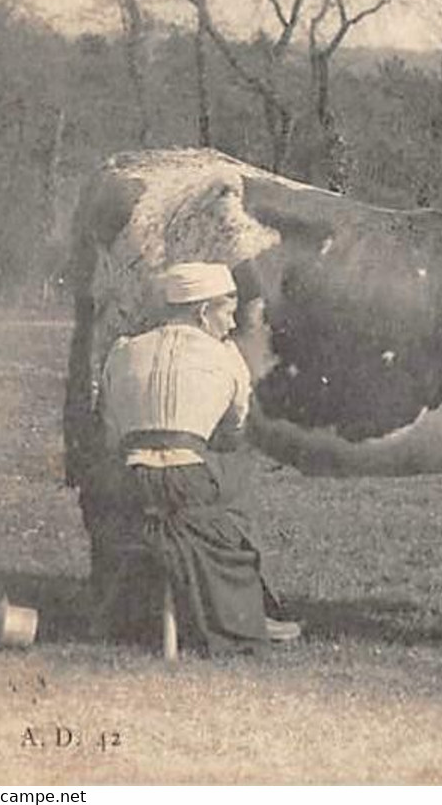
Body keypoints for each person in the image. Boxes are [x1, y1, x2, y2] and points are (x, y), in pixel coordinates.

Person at [98, 261, 300, 653]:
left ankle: (146, 604)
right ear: (203, 311)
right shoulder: (225, 357)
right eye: (227, 311)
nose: (230, 323)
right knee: (233, 486)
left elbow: (110, 430)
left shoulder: (122, 352)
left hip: (128, 483)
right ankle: (242, 612)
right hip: (187, 481)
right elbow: (232, 431)